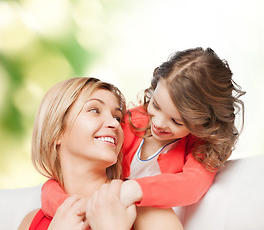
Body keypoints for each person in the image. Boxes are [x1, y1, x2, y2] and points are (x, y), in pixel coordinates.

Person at [41, 47, 245, 227]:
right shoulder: (131, 122)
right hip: (100, 209)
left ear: (203, 124)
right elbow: (61, 178)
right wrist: (72, 209)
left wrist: (131, 190)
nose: (158, 123)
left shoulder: (199, 149)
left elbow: (192, 185)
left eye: (176, 121)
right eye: (155, 105)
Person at [18, 77, 136, 230]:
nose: (114, 124)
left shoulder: (145, 209)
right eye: (95, 110)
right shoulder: (31, 222)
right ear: (58, 132)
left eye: (117, 117)